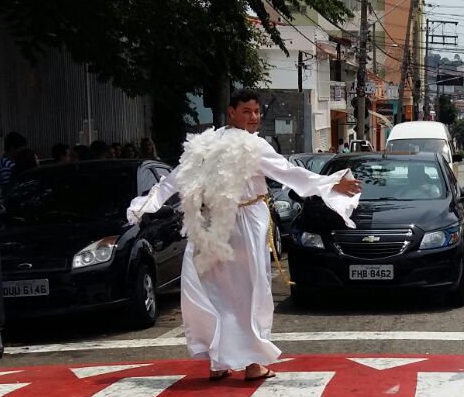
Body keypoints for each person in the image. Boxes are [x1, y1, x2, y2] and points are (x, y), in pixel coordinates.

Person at [126, 89, 362, 381]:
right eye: (247, 111)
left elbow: (174, 179)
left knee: (216, 293)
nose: (254, 117)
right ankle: (251, 363)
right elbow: (289, 173)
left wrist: (146, 204)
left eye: (257, 112)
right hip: (245, 226)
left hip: (213, 227)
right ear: (231, 112)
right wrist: (331, 184)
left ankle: (219, 362)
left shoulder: (206, 143)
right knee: (251, 294)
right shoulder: (253, 145)